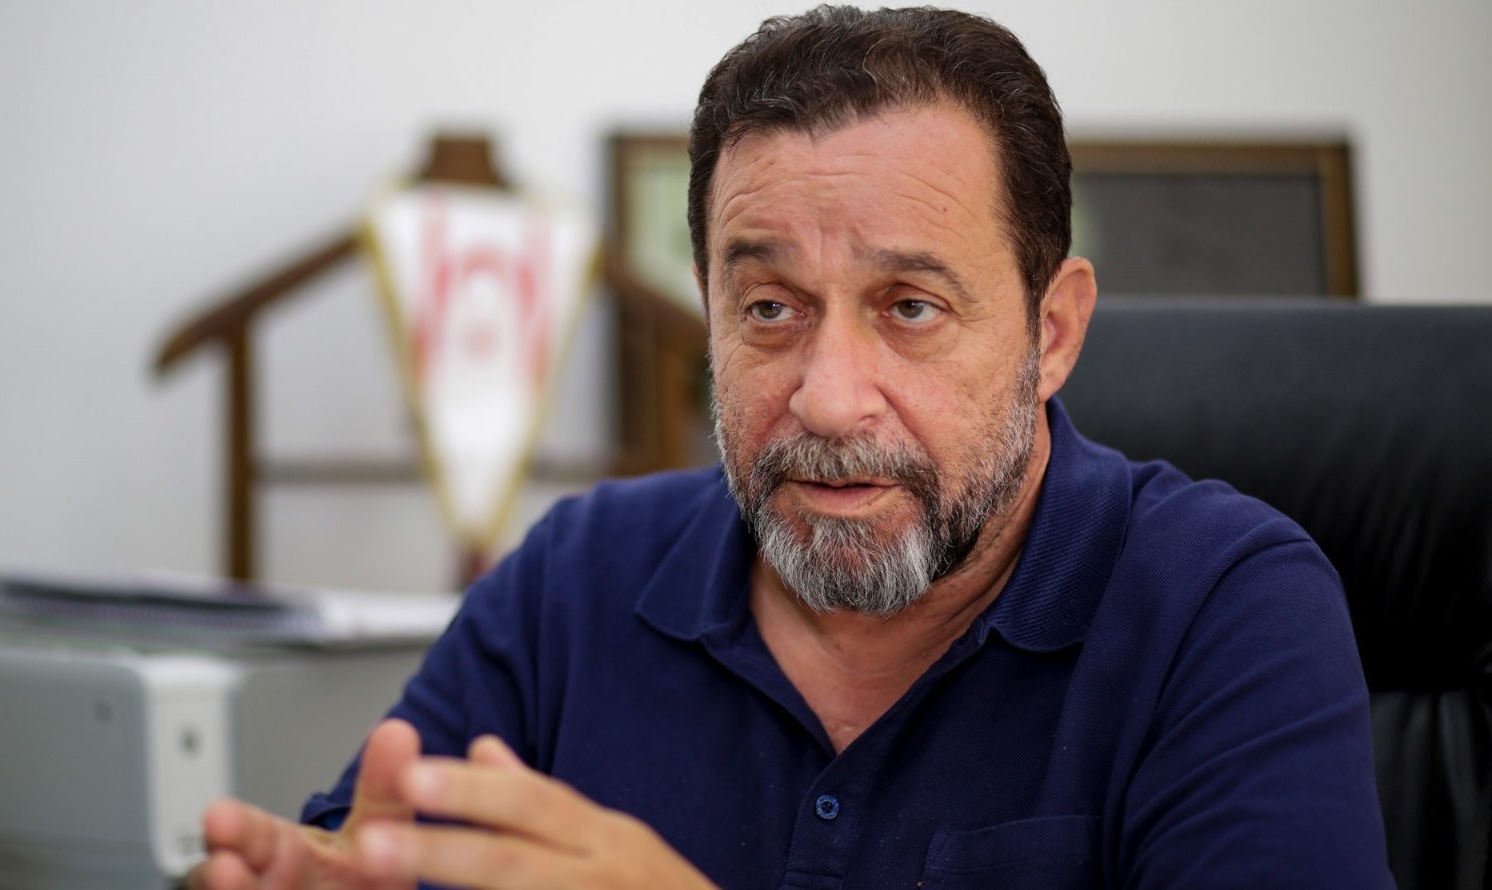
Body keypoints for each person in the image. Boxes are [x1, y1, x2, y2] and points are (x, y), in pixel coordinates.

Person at [189, 6, 1393, 888]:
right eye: (769, 308)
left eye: (908, 307)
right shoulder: (576, 577)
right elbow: (360, 848)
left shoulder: (1223, 602)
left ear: (1053, 330)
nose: (825, 398)